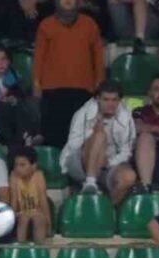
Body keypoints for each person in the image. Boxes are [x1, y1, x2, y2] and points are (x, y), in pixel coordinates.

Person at [34, 0, 106, 148]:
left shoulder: (90, 24)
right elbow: (39, 57)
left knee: (81, 138)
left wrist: (100, 83)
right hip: (52, 91)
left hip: (83, 90)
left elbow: (98, 57)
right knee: (54, 138)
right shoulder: (46, 25)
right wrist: (36, 82)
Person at [61, 80, 138, 202]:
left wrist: (108, 162)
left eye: (114, 100)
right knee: (100, 135)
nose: (110, 104)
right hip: (81, 164)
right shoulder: (84, 113)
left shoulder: (126, 116)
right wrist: (93, 133)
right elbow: (73, 145)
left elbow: (126, 151)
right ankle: (90, 183)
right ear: (97, 99)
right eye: (106, 100)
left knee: (129, 177)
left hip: (109, 164)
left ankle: (107, 208)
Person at [0, 44, 39, 147]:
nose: (1, 63)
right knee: (4, 106)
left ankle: (26, 136)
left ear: (9, 61)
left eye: (4, 59)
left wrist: (13, 100)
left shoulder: (15, 77)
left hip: (13, 111)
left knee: (17, 105)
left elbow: (22, 97)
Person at [9, 146, 52, 245]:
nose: (18, 168)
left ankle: (39, 248)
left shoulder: (39, 175)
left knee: (39, 219)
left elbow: (43, 199)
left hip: (37, 211)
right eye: (16, 165)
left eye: (22, 165)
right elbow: (14, 200)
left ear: (33, 166)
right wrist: (11, 219)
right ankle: (21, 247)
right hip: (21, 212)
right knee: (23, 219)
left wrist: (49, 223)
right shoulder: (14, 176)